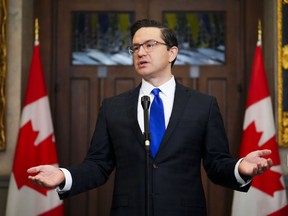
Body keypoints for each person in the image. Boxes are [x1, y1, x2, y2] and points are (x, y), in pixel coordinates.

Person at [27, 19, 273, 216]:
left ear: (172, 53)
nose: (140, 52)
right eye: (135, 47)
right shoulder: (113, 107)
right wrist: (64, 176)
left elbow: (216, 164)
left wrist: (242, 168)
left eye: (150, 45)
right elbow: (98, 166)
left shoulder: (203, 105)